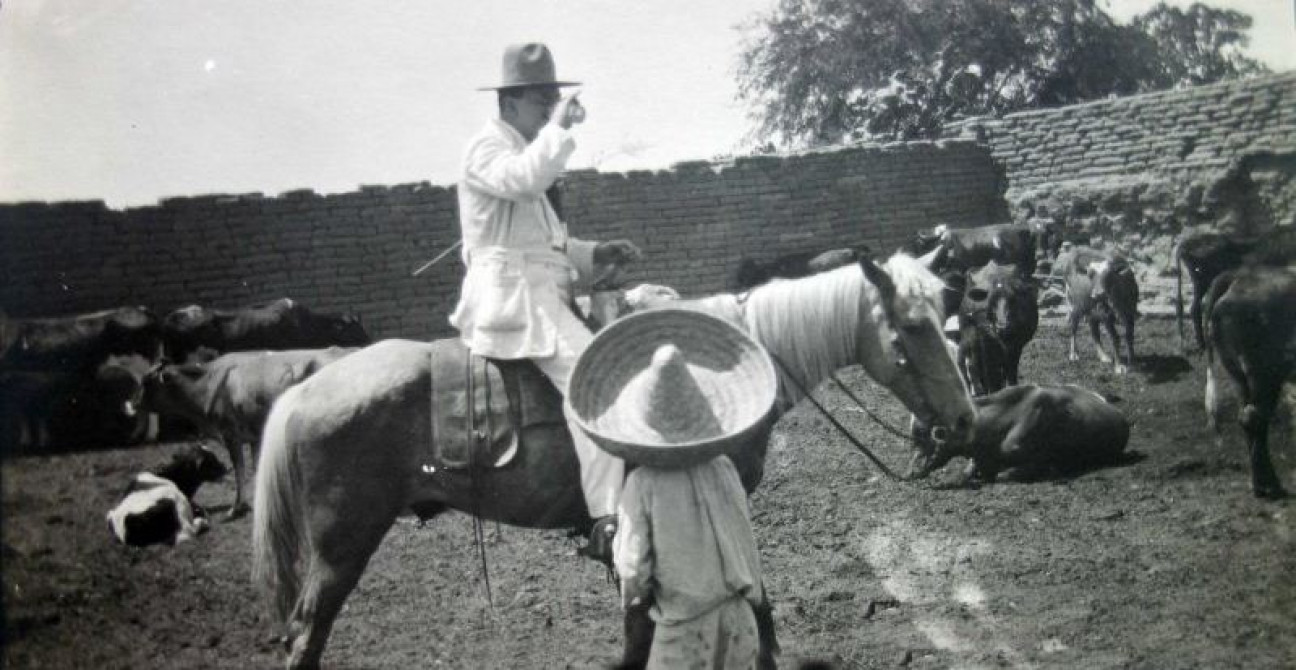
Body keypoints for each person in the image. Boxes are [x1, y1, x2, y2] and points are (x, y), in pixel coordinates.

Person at [448, 43, 641, 550]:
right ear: (508, 104)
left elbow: (546, 246)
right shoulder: (487, 150)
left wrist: (596, 252)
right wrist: (559, 127)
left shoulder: (524, 151)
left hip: (538, 294)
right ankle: (607, 518)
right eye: (540, 104)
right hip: (516, 302)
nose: (547, 113)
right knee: (593, 383)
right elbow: (525, 179)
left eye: (551, 102)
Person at [567, 309, 778, 669]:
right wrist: (754, 597)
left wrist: (636, 600)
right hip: (739, 616)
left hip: (684, 626)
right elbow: (745, 538)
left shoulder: (641, 484)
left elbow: (634, 568)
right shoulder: (724, 467)